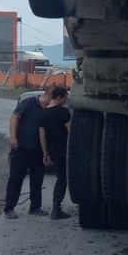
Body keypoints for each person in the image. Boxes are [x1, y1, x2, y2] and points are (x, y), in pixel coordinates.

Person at [5, 87, 50, 217]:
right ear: (47, 95)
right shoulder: (29, 103)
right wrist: (13, 137)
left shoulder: (48, 109)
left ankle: (35, 208)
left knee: (37, 180)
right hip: (22, 149)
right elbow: (14, 117)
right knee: (16, 179)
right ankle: (9, 208)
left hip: (38, 151)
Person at [38, 85, 72, 219]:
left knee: (60, 178)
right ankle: (56, 208)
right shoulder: (63, 112)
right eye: (65, 97)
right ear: (59, 97)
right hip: (65, 150)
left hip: (52, 151)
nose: (66, 100)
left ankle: (56, 207)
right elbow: (71, 132)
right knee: (63, 179)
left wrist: (45, 153)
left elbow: (42, 135)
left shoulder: (43, 113)